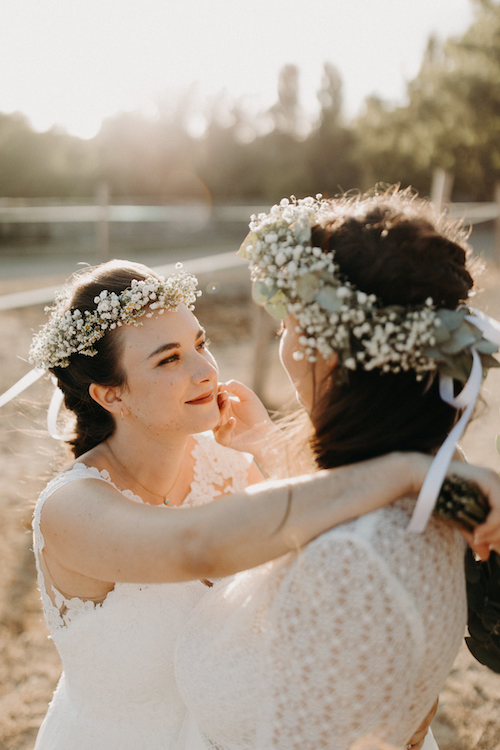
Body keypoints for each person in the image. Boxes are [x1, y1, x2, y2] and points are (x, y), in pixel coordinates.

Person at [16, 259, 486, 750]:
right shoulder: (71, 509)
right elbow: (195, 548)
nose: (205, 371)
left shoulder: (224, 461)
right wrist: (405, 472)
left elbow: (317, 559)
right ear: (110, 394)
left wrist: (266, 445)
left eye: (200, 344)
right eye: (169, 359)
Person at [173, 188, 500, 750]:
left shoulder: (353, 559)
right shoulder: (434, 488)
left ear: (326, 349)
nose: (283, 339)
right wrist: (263, 443)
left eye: (285, 325)